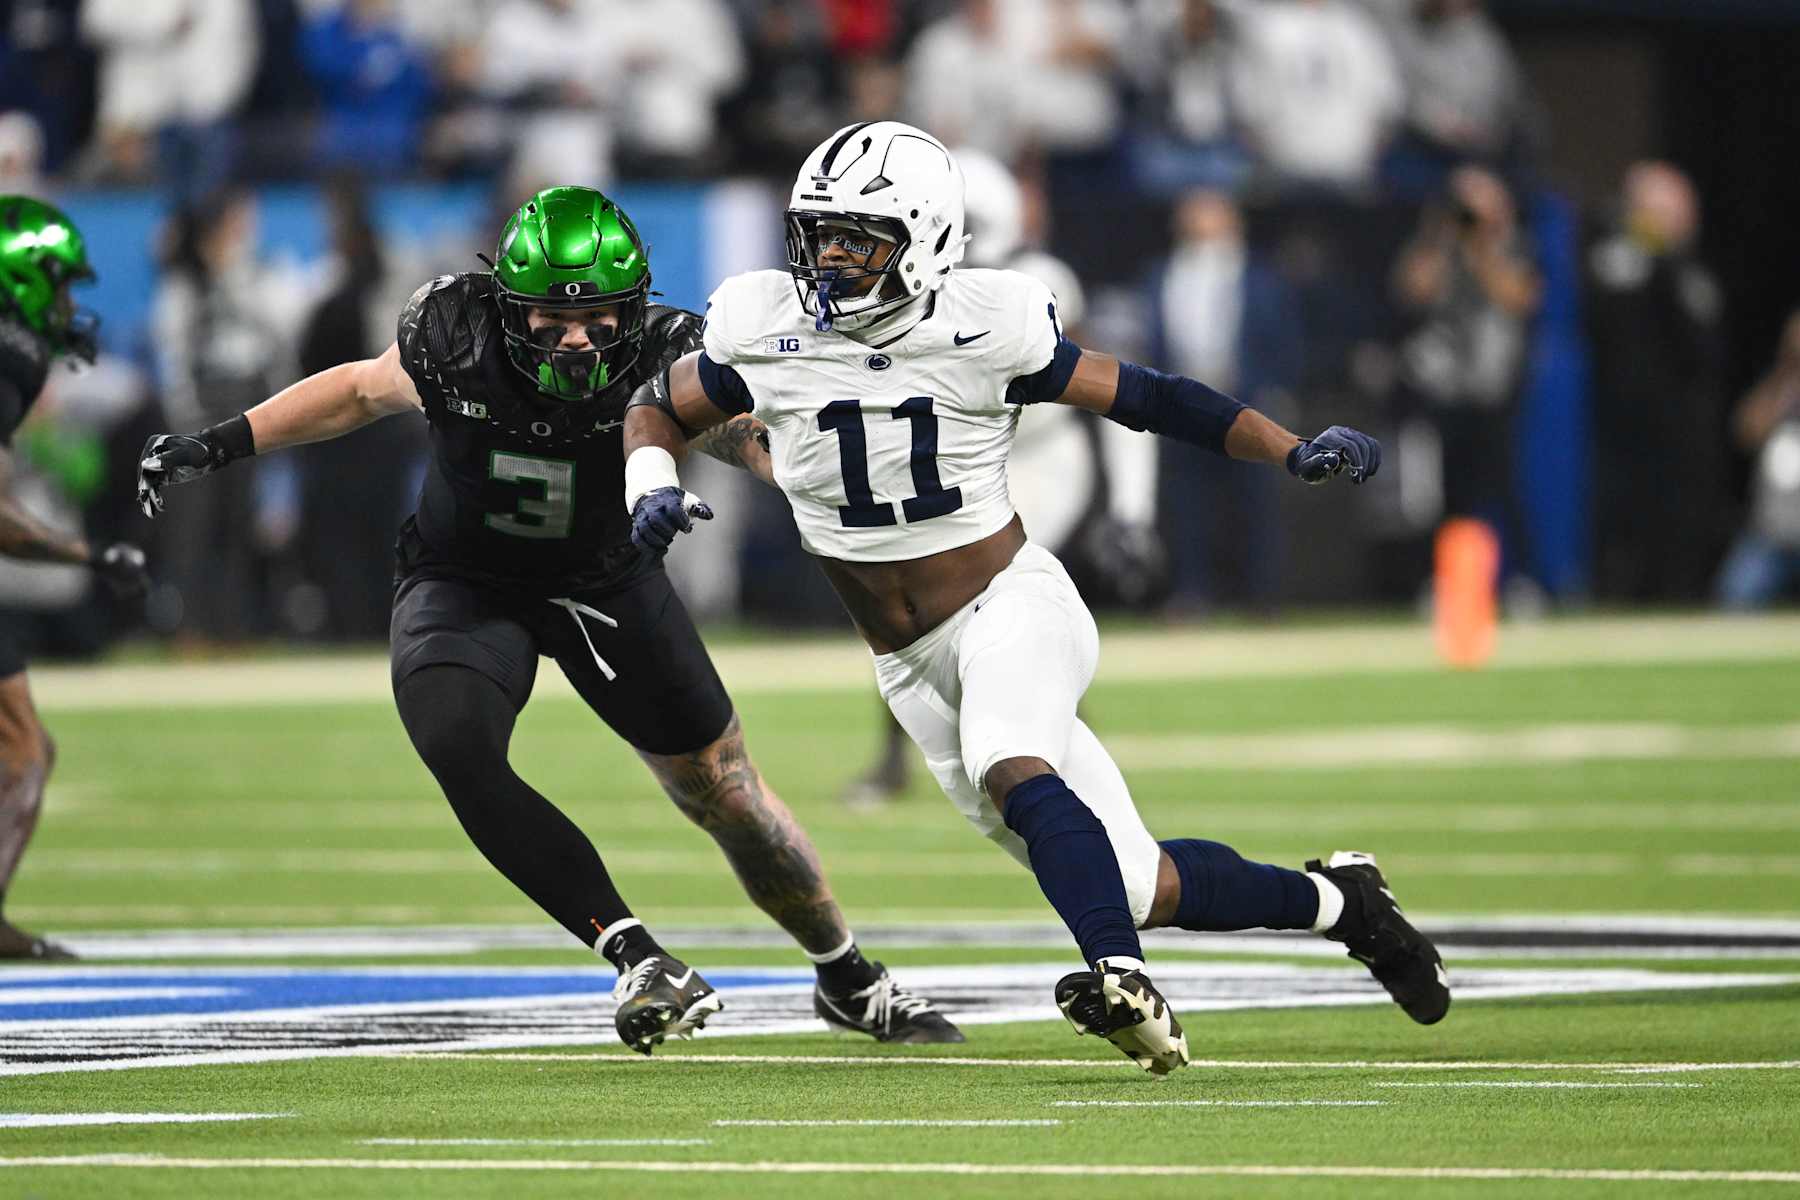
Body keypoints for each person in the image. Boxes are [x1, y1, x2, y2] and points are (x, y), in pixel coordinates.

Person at [623, 123, 1449, 1075]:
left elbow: (1151, 396)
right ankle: (1348, 905)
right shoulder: (761, 323)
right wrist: (649, 478)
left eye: (859, 236)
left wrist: (1290, 447)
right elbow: (660, 402)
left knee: (1012, 763)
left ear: (926, 240)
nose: (832, 259)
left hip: (1008, 605)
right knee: (1136, 879)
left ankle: (1119, 977)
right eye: (820, 234)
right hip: (907, 666)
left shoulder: (987, 322)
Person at [135, 186, 959, 1052]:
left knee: (726, 792)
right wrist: (220, 441)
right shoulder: (454, 328)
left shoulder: (671, 349)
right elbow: (360, 392)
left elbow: (749, 436)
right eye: (549, 320)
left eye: (598, 319)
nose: (574, 340)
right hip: (465, 578)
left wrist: (825, 484)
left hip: (607, 582)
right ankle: (635, 953)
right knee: (455, 741)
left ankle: (846, 972)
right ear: (506, 305)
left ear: (632, 308)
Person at [0, 196, 150, 958]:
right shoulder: (11, 356)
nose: (67, 308)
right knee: (23, 749)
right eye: (57, 288)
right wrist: (87, 555)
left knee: (25, 747)